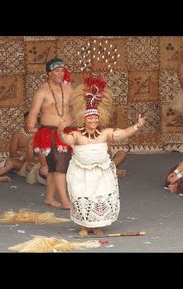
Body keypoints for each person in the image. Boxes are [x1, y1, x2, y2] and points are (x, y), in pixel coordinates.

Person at [58, 74, 146, 236]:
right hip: (81, 172)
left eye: (95, 118)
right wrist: (60, 130)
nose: (93, 121)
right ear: (84, 119)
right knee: (82, 196)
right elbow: (65, 138)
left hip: (101, 171)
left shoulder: (105, 133)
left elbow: (122, 134)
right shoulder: (77, 134)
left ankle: (97, 225)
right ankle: (84, 226)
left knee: (99, 196)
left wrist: (136, 126)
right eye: (90, 118)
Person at [26, 58, 73, 209]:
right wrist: (30, 125)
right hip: (50, 133)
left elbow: (77, 105)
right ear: (49, 73)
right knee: (60, 166)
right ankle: (65, 201)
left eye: (62, 70)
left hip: (66, 131)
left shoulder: (68, 88)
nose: (60, 74)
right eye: (57, 71)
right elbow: (33, 112)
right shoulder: (42, 91)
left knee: (53, 168)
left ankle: (49, 198)